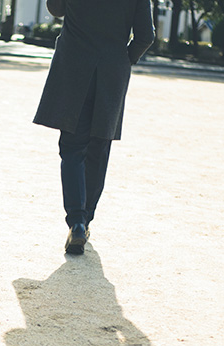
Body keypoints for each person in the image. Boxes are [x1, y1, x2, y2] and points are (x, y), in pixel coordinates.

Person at [33, 0, 155, 254]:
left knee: (72, 146)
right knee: (99, 147)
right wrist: (125, 58)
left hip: (74, 65)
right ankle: (85, 220)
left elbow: (56, 9)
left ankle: (76, 221)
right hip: (112, 69)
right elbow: (146, 36)